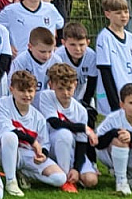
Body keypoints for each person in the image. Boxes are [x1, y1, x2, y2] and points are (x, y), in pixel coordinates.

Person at [0, 70, 67, 197]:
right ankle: (11, 181)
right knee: (10, 137)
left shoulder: (38, 117)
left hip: (28, 154)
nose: (27, 95)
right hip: (5, 152)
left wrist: (43, 155)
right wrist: (32, 141)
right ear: (12, 89)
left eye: (30, 91)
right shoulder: (4, 104)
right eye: (22, 91)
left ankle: (24, 174)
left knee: (60, 178)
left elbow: (45, 143)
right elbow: (6, 130)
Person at [39, 63, 99, 191]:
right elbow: (54, 122)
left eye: (69, 88)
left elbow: (81, 143)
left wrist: (76, 169)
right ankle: (65, 179)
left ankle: (72, 173)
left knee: (91, 180)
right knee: (64, 134)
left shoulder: (81, 111)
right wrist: (83, 128)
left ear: (75, 85)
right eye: (60, 88)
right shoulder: (46, 96)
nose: (65, 93)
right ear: (51, 85)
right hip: (51, 146)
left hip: (71, 148)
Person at [96, 0, 132, 103]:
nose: (123, 16)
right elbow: (105, 70)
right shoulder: (104, 38)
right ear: (108, 14)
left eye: (126, 12)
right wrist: (114, 103)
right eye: (118, 13)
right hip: (115, 97)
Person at [51, 22, 102, 117]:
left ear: (88, 43)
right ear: (64, 43)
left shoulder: (91, 56)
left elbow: (92, 83)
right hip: (63, 95)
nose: (78, 49)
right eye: (72, 45)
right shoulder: (58, 57)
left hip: (83, 94)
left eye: (81, 45)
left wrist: (85, 104)